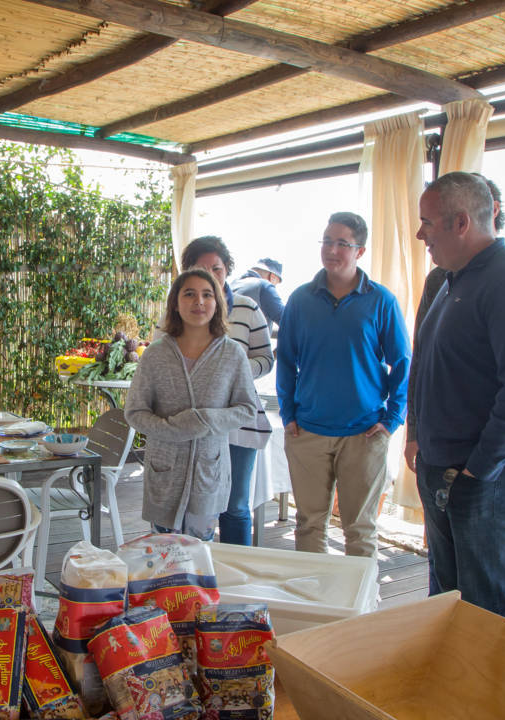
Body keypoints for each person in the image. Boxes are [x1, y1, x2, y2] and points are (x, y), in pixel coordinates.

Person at [411, 171, 505, 624]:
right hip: (446, 466)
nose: (420, 234)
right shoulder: (452, 280)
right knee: (449, 596)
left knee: (487, 603)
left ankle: (495, 694)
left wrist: (477, 470)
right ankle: (454, 690)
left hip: (486, 473)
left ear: (460, 223)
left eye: (427, 223)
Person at [404, 176, 505, 468]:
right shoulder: (441, 278)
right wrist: (416, 430)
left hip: (491, 462)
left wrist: (487, 456)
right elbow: (423, 359)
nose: (420, 233)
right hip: (440, 453)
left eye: (427, 222)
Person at [276, 212, 410, 557]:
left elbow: (403, 363)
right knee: (308, 524)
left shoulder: (381, 301)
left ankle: (362, 610)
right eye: (326, 241)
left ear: (360, 251)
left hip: (365, 434)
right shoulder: (300, 300)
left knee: (360, 530)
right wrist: (288, 413)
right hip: (307, 432)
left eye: (342, 243)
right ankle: (315, 605)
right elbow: (287, 361)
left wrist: (392, 419)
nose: (331, 250)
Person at [128, 269, 257, 540]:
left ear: (217, 303)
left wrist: (206, 419)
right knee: (161, 558)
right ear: (175, 303)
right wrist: (172, 428)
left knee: (201, 554)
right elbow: (135, 412)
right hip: (164, 471)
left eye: (207, 294)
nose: (199, 301)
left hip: (208, 472)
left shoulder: (232, 354)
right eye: (189, 294)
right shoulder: (156, 354)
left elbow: (247, 408)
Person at [166, 236, 272, 545]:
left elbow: (266, 358)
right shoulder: (178, 310)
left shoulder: (248, 308)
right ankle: (197, 579)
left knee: (236, 507)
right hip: (194, 422)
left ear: (227, 270)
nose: (211, 275)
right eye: (202, 268)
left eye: (218, 268)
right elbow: (163, 354)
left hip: (239, 421)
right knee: (195, 504)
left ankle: (238, 584)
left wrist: (234, 371)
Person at [229, 257, 285, 334]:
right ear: (272, 277)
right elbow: (287, 320)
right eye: (276, 283)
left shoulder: (232, 285)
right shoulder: (264, 286)